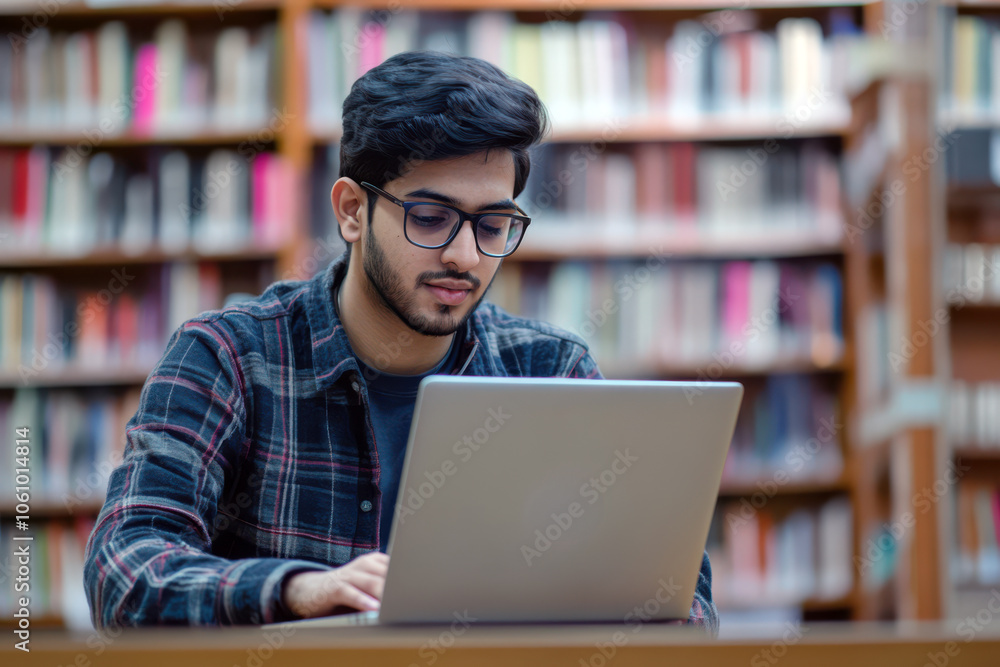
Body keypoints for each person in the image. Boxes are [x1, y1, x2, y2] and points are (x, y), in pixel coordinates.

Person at [83, 50, 719, 633]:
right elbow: (125, 569)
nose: (464, 255)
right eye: (431, 218)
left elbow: (679, 595)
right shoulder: (229, 356)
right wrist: (300, 590)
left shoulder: (549, 367)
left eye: (494, 224)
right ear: (352, 211)